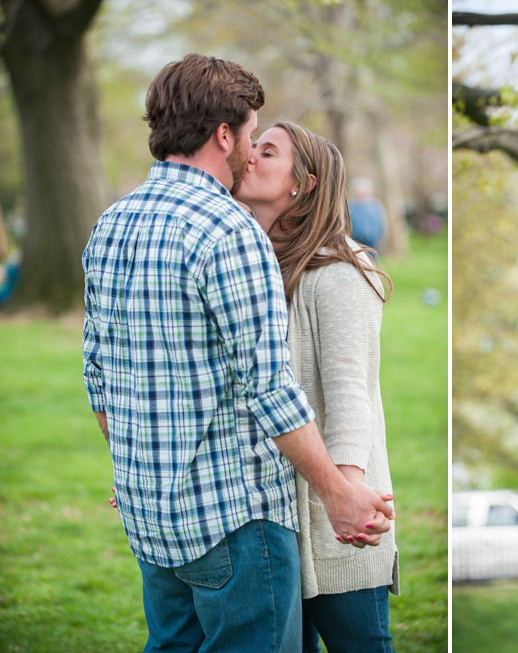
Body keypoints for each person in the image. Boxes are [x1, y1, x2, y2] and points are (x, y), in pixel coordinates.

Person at [82, 54, 393, 652]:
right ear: (224, 134)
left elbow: (100, 374)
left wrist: (137, 462)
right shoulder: (229, 230)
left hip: (154, 518)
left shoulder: (111, 223)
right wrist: (337, 493)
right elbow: (268, 387)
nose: (251, 152)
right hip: (234, 519)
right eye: (253, 135)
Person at [235, 121, 398, 652]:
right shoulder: (252, 268)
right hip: (268, 517)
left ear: (301, 184)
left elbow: (352, 396)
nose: (249, 156)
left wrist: (344, 496)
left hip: (336, 522)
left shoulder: (341, 273)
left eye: (267, 150)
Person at [347, 176, 387, 252]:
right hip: (355, 241)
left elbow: (382, 223)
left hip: (372, 241)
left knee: (372, 261)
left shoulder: (375, 205)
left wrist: (381, 239)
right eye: (359, 192)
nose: (362, 194)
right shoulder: (350, 205)